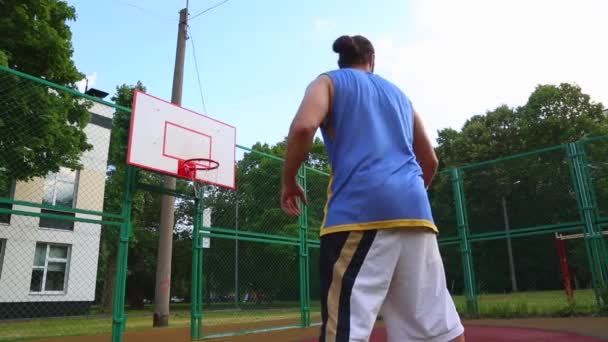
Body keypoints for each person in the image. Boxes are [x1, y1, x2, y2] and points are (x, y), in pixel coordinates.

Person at [280, 34, 465, 342]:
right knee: (435, 329)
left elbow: (303, 127)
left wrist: (288, 181)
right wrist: (407, 195)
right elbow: (429, 160)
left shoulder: (327, 82)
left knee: (345, 331)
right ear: (372, 60)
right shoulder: (400, 97)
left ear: (341, 61)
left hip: (359, 215)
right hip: (417, 216)